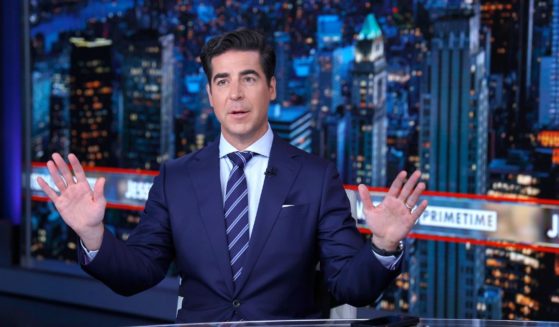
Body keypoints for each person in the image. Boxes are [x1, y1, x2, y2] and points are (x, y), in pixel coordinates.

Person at [37, 28, 428, 323]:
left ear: (271, 87)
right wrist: (92, 236)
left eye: (249, 78)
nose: (236, 94)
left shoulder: (315, 176)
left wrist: (382, 246)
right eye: (222, 81)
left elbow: (349, 286)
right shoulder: (176, 178)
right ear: (210, 94)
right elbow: (139, 271)